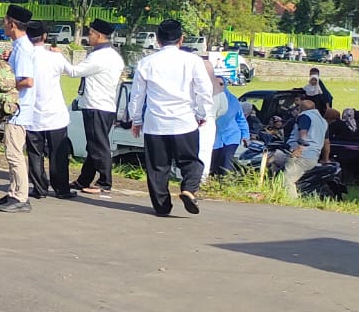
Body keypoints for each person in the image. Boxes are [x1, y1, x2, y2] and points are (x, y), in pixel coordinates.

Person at [128, 19, 213, 217]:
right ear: (181, 39)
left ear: (158, 40)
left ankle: (161, 206)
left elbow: (137, 95)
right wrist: (202, 114)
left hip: (155, 124)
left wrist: (136, 120)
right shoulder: (193, 61)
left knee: (158, 168)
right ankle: (189, 188)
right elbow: (204, 91)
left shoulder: (146, 63)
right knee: (191, 162)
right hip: (184, 121)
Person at [67, 18, 125, 196]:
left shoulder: (99, 56)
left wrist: (56, 58)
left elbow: (74, 71)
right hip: (105, 105)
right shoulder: (113, 55)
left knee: (99, 146)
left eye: (90, 33)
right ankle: (84, 179)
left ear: (99, 35)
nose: (88, 36)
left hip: (96, 105)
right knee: (94, 145)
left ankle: (105, 182)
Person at [0, 4, 36, 214]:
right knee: (12, 152)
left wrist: (7, 85)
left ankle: (21, 196)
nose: (4, 25)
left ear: (12, 24)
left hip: (19, 108)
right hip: (13, 107)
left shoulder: (24, 49)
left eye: (5, 21)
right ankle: (13, 192)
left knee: (14, 154)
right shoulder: (19, 46)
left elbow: (27, 80)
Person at [25, 22, 76, 199]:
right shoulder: (54, 58)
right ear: (44, 37)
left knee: (35, 153)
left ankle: (39, 187)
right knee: (58, 153)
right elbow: (73, 72)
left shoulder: (24, 57)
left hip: (33, 113)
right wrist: (61, 55)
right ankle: (61, 188)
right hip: (55, 113)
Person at [284, 96, 328, 197]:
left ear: (301, 108)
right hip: (314, 156)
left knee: (288, 179)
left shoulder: (305, 116)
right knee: (277, 157)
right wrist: (325, 159)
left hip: (303, 155)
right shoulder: (323, 121)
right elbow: (326, 142)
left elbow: (303, 133)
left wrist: (299, 148)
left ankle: (291, 202)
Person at [210, 74, 250, 176]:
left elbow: (241, 119)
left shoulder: (233, 100)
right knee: (213, 167)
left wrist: (245, 135)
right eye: (215, 84)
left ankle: (227, 184)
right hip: (213, 138)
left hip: (231, 137)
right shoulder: (207, 99)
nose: (218, 86)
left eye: (221, 84)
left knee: (226, 165)